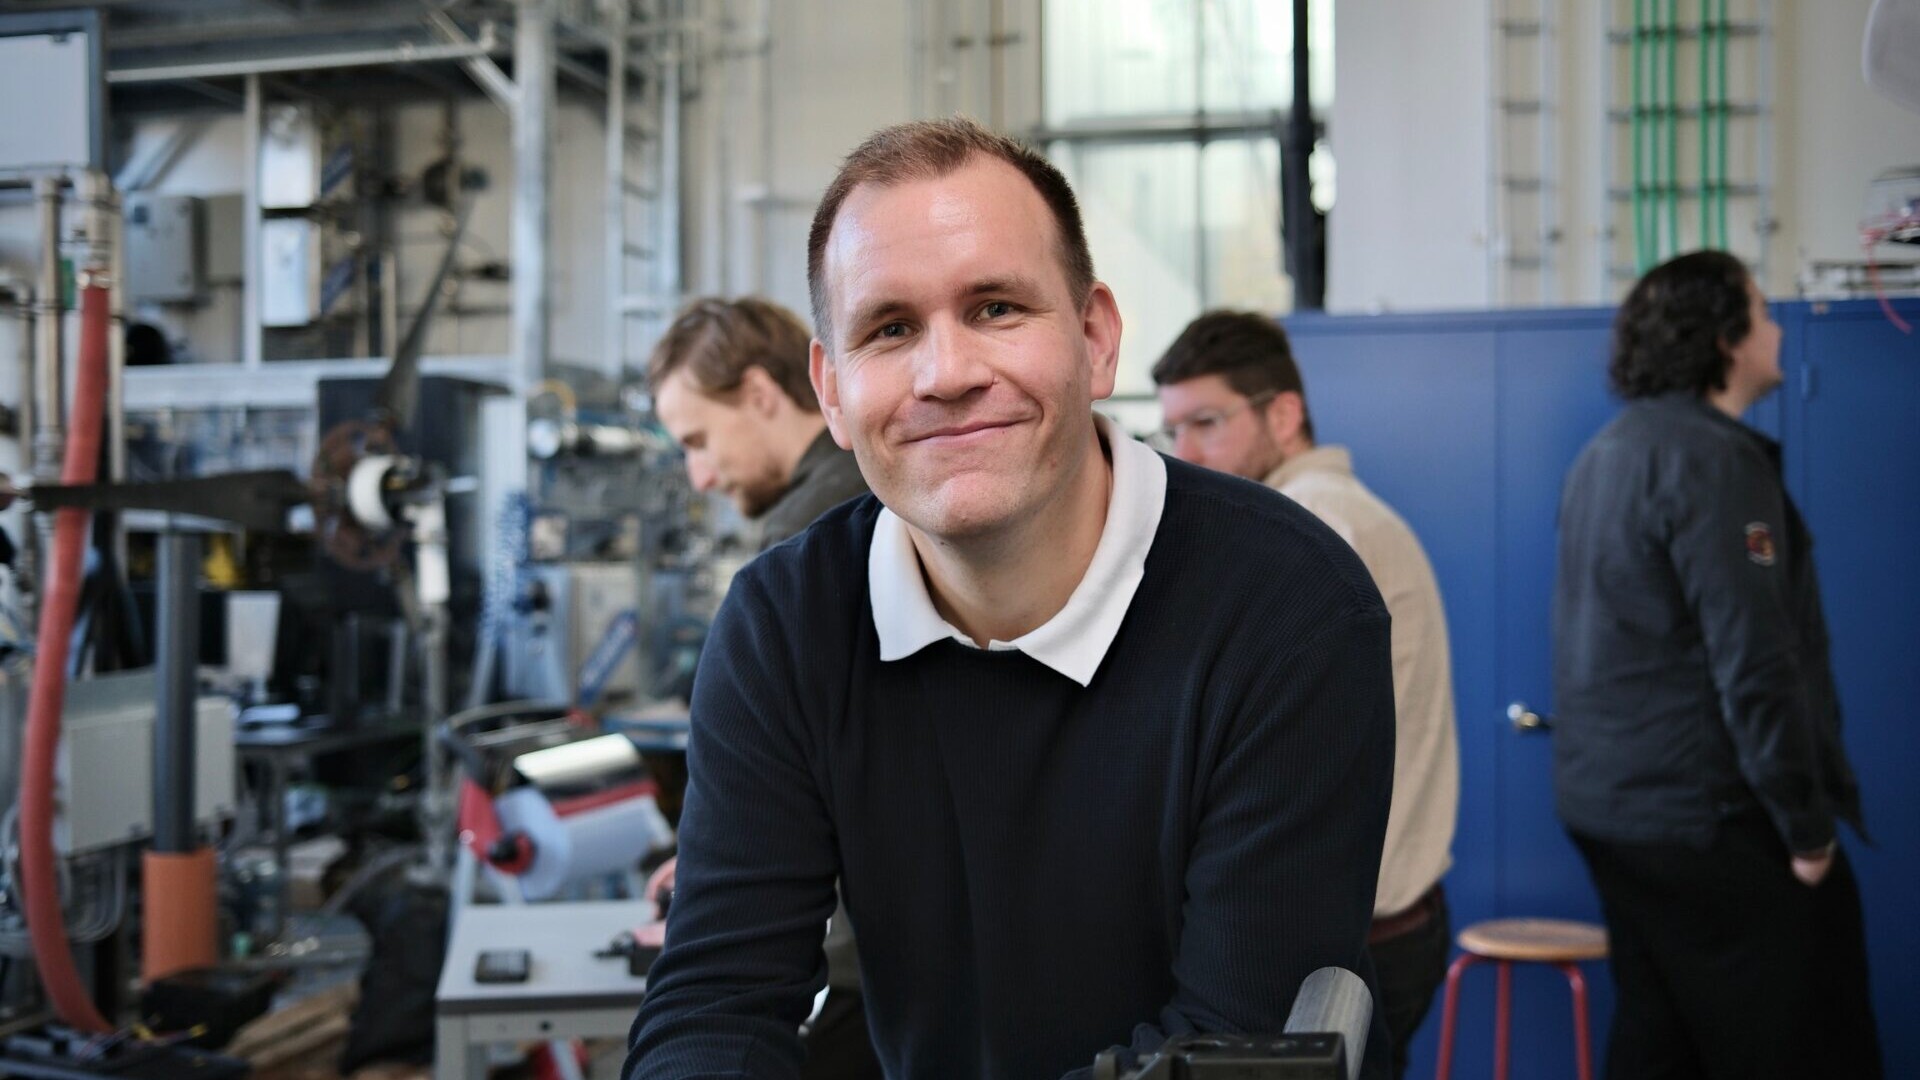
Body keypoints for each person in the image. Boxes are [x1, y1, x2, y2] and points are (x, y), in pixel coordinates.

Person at [624, 117, 1395, 1079]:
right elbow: (717, 997)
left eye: (995, 307)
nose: (946, 375)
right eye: (890, 328)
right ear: (831, 389)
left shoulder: (1290, 610)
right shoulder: (783, 625)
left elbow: (1227, 1048)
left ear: (1095, 338)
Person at [1553, 250, 1881, 1079]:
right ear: (1725, 338)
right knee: (1805, 1042)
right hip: (1711, 821)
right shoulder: (1714, 460)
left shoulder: (1609, 451)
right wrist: (1805, 829)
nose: (1777, 330)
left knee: (1663, 1039)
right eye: (1764, 313)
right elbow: (1755, 662)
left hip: (1615, 815)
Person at [1152, 311, 1460, 1080]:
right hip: (1387, 928)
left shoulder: (1309, 526)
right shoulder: (1339, 512)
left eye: (1208, 423)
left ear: (1282, 414)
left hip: (1349, 951)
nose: (1185, 454)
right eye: (1172, 432)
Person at [647, 296, 880, 1078]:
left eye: (698, 440)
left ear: (759, 392)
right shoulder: (851, 496)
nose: (700, 474)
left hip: (855, 959)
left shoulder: (811, 539)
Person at [651, 297, 870, 548]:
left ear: (759, 394)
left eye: (699, 443)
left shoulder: (801, 536)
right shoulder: (874, 474)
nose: (701, 481)